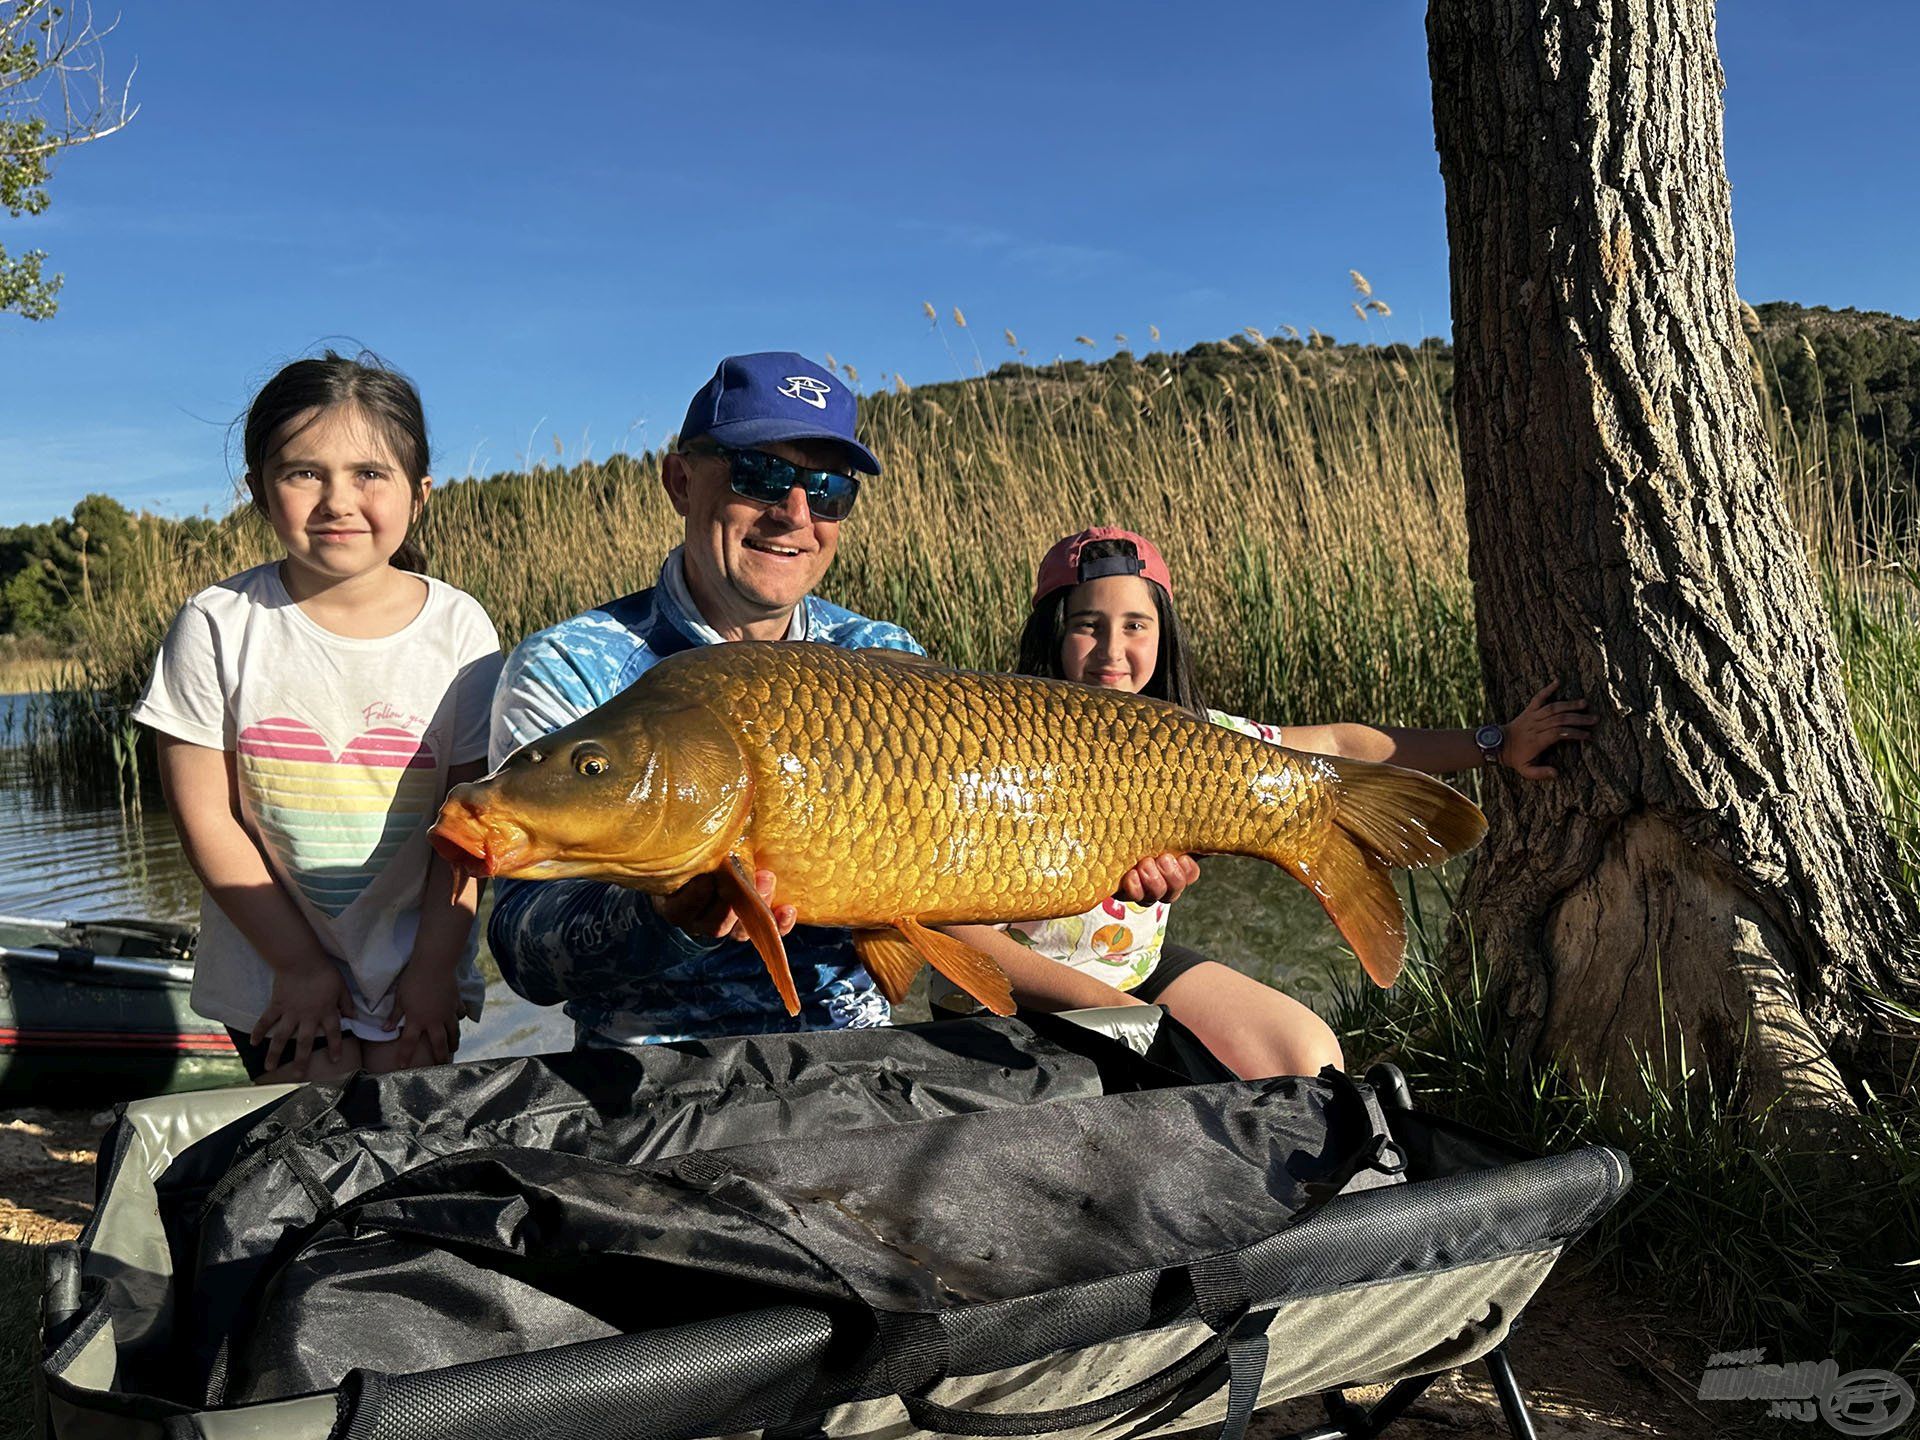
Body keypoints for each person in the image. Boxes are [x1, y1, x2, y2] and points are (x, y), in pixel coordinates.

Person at [941, 527, 1596, 1079]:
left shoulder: (1198, 740)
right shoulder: (988, 745)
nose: (1114, 651)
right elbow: (949, 929)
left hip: (1134, 967)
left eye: (1135, 625)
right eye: (1088, 625)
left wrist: (1496, 743)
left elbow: (1344, 744)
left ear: (1163, 634)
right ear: (1052, 634)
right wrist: (1114, 1014)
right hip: (1002, 989)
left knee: (1308, 1059)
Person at [489, 353, 946, 1046]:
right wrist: (665, 918)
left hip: (851, 1063)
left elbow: (953, 876)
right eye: (759, 475)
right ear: (679, 481)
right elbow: (523, 948)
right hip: (648, 1082)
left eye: (827, 490)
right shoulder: (570, 667)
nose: (795, 515)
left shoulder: (881, 656)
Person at [134, 353, 502, 1083]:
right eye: (304, 472)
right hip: (271, 970)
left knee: (403, 1157)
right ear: (259, 492)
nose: (337, 500)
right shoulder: (217, 623)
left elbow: (472, 826)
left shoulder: (461, 629)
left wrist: (431, 969)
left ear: (419, 494)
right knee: (299, 1155)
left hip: (418, 968)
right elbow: (204, 815)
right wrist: (299, 967)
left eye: (369, 473)